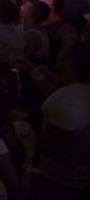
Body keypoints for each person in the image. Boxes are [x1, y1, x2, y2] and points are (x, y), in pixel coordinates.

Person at [36, 42, 90, 199]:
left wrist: (29, 139)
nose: (59, 53)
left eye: (64, 52)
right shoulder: (79, 92)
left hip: (59, 183)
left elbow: (53, 149)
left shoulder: (65, 100)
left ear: (70, 62)